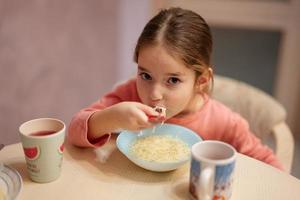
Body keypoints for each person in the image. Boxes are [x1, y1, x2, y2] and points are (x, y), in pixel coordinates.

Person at [68, 7, 283, 170]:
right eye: (146, 75)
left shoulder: (224, 123)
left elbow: (272, 168)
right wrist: (110, 118)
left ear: (202, 81)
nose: (153, 94)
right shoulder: (129, 94)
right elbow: (74, 131)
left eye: (172, 80)